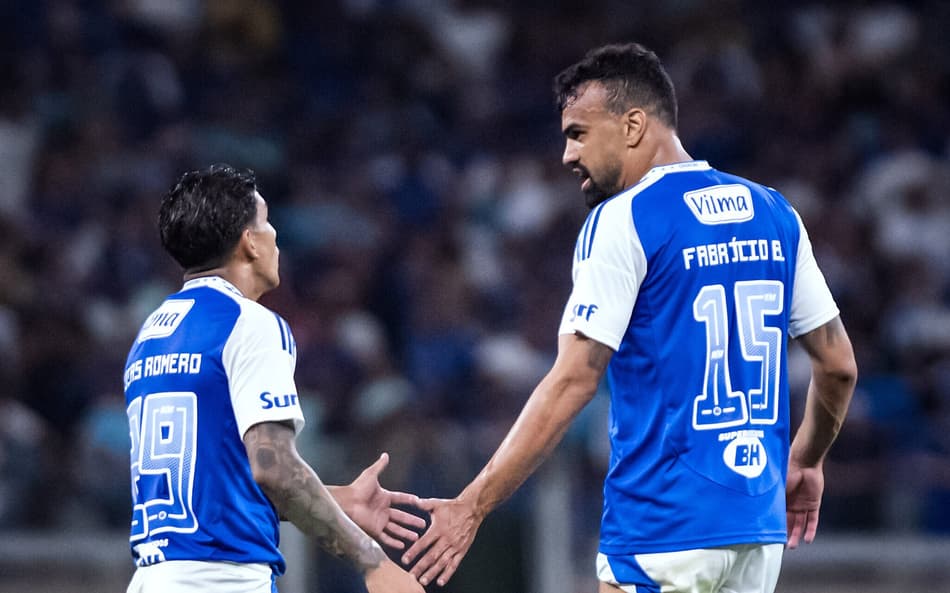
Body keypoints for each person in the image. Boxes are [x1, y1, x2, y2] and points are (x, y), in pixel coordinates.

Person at [403, 43, 858, 593]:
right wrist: (806, 460)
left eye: (578, 133)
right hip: (754, 533)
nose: (568, 155)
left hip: (661, 528)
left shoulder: (624, 219)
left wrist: (473, 505)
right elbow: (838, 367)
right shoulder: (775, 212)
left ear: (634, 125)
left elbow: (573, 378)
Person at [123, 164, 426, 593]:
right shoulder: (250, 324)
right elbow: (273, 467)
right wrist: (371, 560)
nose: (275, 237)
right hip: (224, 580)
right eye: (265, 223)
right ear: (248, 241)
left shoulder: (152, 334)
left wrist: (340, 503)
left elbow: (219, 484)